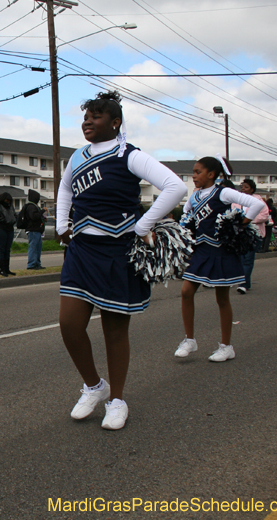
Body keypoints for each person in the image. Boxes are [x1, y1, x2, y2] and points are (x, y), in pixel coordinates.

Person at [56, 90, 187, 430]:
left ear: (115, 123)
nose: (88, 122)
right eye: (86, 117)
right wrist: (61, 224)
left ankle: (117, 400)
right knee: (69, 324)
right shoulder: (77, 156)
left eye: (96, 117)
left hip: (118, 252)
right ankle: (93, 386)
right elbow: (66, 189)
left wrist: (143, 225)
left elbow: (175, 187)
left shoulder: (129, 154)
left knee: (114, 330)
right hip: (82, 251)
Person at [175, 156, 265, 363]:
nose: (194, 176)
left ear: (211, 174)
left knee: (222, 299)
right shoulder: (194, 196)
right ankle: (189, 340)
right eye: (193, 172)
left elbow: (255, 204)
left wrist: (240, 224)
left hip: (221, 251)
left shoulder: (223, 192)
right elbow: (186, 216)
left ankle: (226, 347)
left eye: (198, 172)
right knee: (186, 292)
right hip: (200, 251)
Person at [235, 179, 270, 294]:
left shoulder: (259, 201)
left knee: (248, 259)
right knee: (240, 259)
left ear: (252, 189)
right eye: (242, 187)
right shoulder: (237, 200)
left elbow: (264, 215)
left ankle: (243, 284)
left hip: (254, 233)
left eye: (246, 187)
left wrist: (248, 220)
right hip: (240, 233)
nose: (243, 189)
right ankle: (244, 281)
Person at [0, 192, 17, 277]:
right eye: (6, 200)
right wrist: (4, 220)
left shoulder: (11, 206)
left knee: (7, 249)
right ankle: (2, 269)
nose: (8, 202)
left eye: (9, 200)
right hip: (2, 228)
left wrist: (14, 220)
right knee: (2, 249)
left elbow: (14, 214)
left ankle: (7, 269)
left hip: (10, 228)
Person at [24, 190, 45, 270]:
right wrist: (42, 211)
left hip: (37, 230)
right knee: (33, 247)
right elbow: (34, 216)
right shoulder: (31, 207)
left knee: (38, 248)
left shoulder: (35, 206)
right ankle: (31, 264)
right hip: (33, 230)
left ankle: (37, 263)